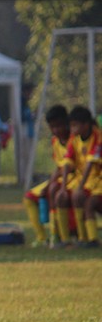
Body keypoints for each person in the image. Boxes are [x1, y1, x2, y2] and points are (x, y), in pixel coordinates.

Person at [21, 105, 71, 247]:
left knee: (53, 190)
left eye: (59, 126)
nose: (56, 130)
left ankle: (57, 235)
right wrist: (49, 182)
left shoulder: (74, 139)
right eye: (52, 127)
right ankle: (42, 237)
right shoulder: (55, 141)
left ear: (66, 122)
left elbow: (70, 167)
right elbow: (58, 166)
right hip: (59, 179)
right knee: (29, 197)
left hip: (73, 179)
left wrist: (50, 184)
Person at [62, 105, 101, 247]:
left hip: (98, 180)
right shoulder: (74, 138)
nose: (71, 129)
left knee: (88, 203)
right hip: (84, 179)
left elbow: (91, 164)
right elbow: (67, 161)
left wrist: (80, 187)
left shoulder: (98, 137)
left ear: (86, 125)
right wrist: (63, 187)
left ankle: (92, 240)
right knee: (67, 196)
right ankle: (81, 237)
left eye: (74, 125)